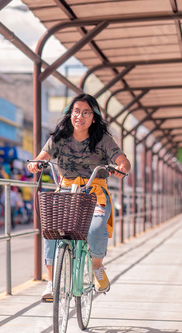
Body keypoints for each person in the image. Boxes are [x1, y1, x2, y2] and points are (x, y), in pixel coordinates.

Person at [27, 93, 131, 301]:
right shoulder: (58, 139)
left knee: (95, 229)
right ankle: (51, 282)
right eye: (76, 111)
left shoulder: (103, 139)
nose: (80, 116)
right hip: (66, 192)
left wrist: (121, 168)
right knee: (51, 229)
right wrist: (34, 164)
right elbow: (40, 158)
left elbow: (123, 161)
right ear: (69, 114)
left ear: (94, 117)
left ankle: (97, 268)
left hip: (95, 193)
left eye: (86, 113)